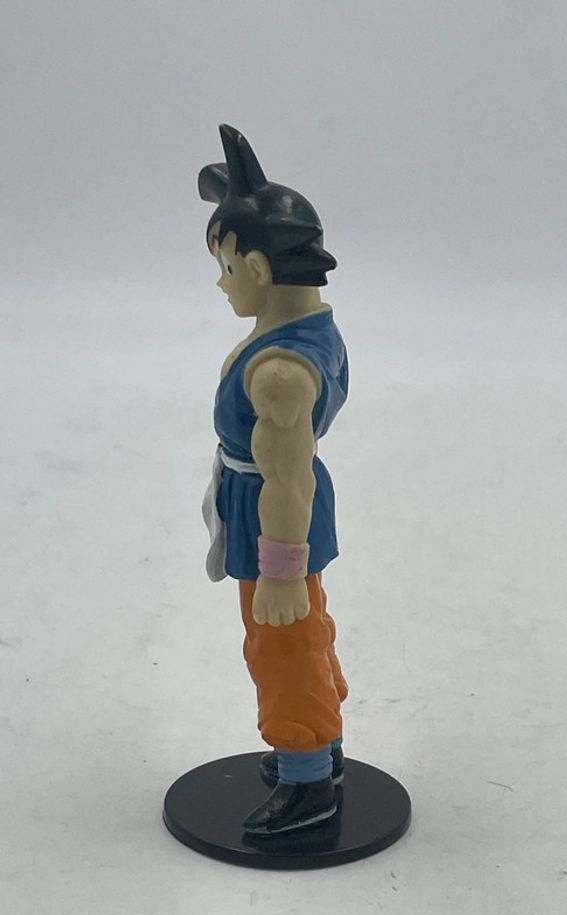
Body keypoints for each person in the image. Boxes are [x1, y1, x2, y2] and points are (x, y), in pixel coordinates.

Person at [198, 125, 349, 834]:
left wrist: (281, 571)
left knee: (279, 643)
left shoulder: (281, 373)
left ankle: (307, 780)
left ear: (257, 267)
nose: (220, 280)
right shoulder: (306, 331)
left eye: (226, 265)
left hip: (275, 516)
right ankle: (323, 746)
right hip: (263, 503)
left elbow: (287, 478)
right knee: (304, 631)